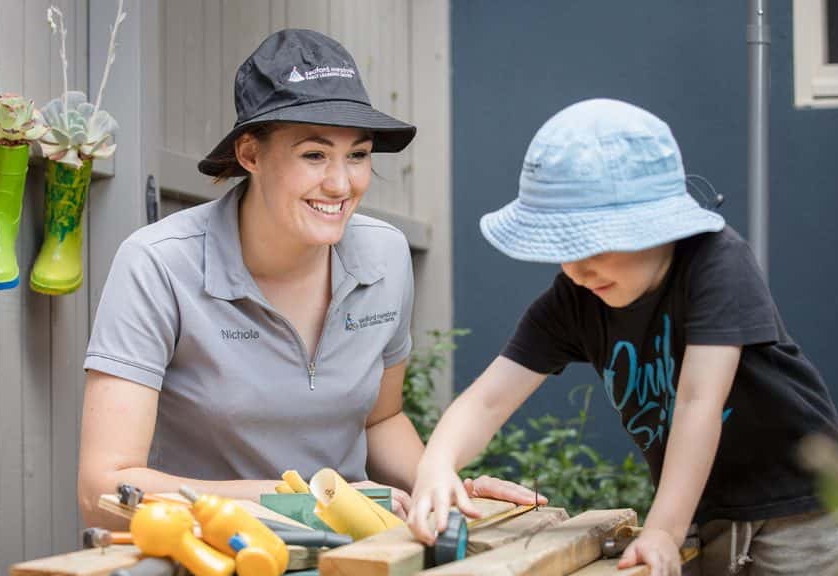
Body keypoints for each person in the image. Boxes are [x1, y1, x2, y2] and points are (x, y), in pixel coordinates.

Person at [407, 99, 838, 576]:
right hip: (713, 499)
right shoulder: (575, 298)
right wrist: (436, 464)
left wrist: (663, 531)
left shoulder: (717, 263)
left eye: (597, 243)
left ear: (659, 227)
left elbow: (700, 403)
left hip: (794, 488)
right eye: (563, 246)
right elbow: (488, 399)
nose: (577, 267)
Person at [78, 29, 536, 530]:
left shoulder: (384, 254)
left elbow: (381, 420)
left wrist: (441, 483)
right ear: (250, 154)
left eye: (358, 155)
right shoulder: (158, 264)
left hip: (357, 551)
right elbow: (103, 486)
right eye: (314, 155)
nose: (342, 184)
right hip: (205, 561)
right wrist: (314, 501)